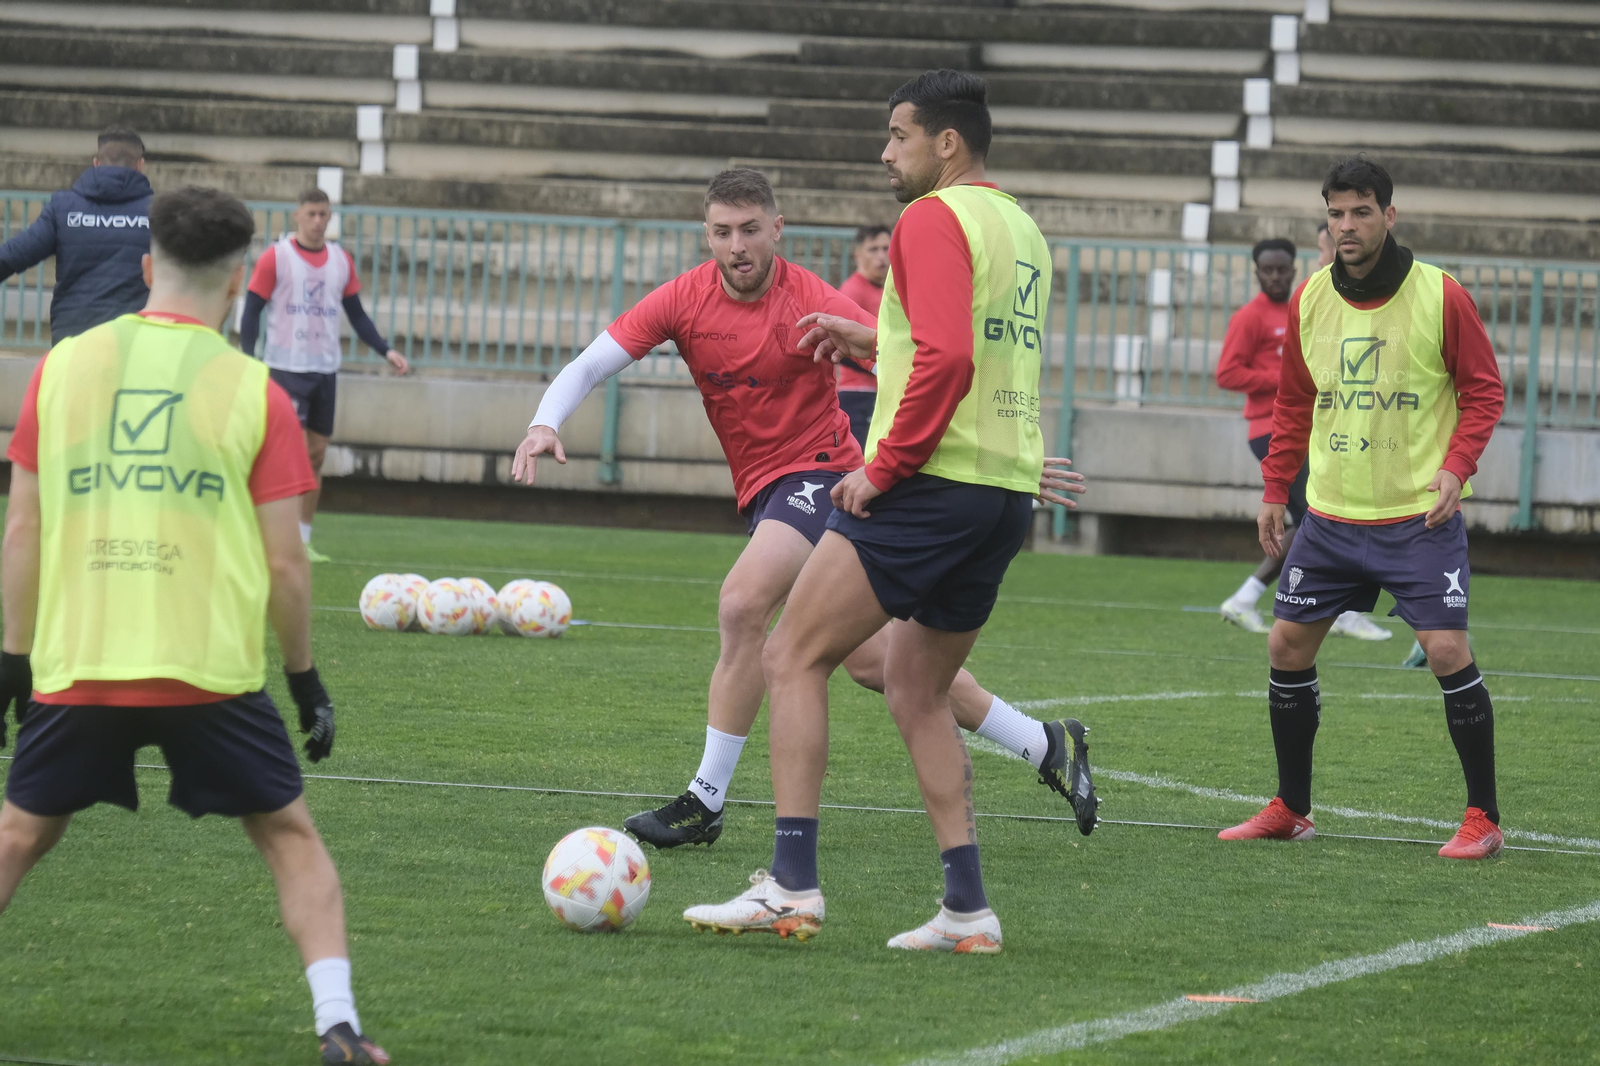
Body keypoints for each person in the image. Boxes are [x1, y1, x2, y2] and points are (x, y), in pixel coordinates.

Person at [511, 168, 1097, 852]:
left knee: (742, 603)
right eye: (723, 232)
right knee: (881, 666)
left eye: (751, 230)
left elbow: (926, 365)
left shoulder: (811, 297)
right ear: (707, 235)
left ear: (777, 230)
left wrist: (1008, 457)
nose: (737, 246)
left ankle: (705, 800)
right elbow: (589, 365)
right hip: (768, 492)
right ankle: (1045, 742)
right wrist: (544, 422)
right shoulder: (682, 299)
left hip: (822, 475)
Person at [0, 186, 389, 1063]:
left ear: (146, 270)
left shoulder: (62, 365)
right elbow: (288, 564)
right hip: (207, 676)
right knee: (290, 839)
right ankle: (339, 1026)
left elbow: (20, 527)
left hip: (81, 666)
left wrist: (10, 662)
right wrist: (304, 679)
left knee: (19, 837)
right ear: (230, 290)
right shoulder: (253, 390)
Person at [685, 70, 1058, 952]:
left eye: (898, 136)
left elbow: (951, 361)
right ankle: (968, 908)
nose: (887, 153)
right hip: (1003, 494)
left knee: (790, 654)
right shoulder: (1021, 227)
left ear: (947, 144)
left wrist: (882, 470)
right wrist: (876, 338)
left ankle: (791, 887)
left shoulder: (930, 217)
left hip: (929, 486)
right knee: (917, 689)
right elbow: (950, 348)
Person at [1219, 155, 1506, 861]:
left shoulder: (1441, 295)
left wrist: (1454, 468)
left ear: (1389, 216)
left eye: (1361, 212)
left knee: (1445, 650)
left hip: (1419, 519)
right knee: (1285, 644)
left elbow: (1485, 391)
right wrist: (1272, 492)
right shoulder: (1311, 297)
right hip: (1332, 517)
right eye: (1336, 214)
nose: (1346, 226)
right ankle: (1292, 807)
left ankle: (1484, 817)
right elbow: (1292, 404)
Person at [1215, 241, 1391, 641]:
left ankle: (1248, 599)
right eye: (1267, 270)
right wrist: (1281, 380)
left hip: (1306, 429)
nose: (1276, 277)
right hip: (1269, 429)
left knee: (1312, 519)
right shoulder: (1250, 317)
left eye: (1282, 270)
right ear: (1257, 272)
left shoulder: (1304, 306)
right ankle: (1339, 610)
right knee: (1317, 519)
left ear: (1294, 269)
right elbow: (1227, 373)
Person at [239, 187, 410, 563]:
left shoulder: (339, 261)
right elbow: (251, 311)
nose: (318, 221)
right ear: (297, 215)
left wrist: (386, 349)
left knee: (316, 455)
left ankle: (302, 539)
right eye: (312, 214)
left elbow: (357, 315)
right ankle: (269, 535)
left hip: (324, 369)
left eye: (324, 215)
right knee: (291, 454)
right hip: (285, 369)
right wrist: (247, 358)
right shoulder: (276, 258)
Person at [0, 126, 153, 344]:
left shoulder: (63, 207)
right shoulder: (158, 213)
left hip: (73, 339)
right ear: (140, 166)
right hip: (132, 340)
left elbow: (13, 254)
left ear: (96, 163)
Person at [835, 224, 891, 447]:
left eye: (886, 248)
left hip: (883, 394)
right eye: (873, 249)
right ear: (858, 254)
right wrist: (880, 366)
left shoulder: (888, 290)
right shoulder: (851, 291)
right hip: (858, 394)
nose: (882, 256)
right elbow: (840, 347)